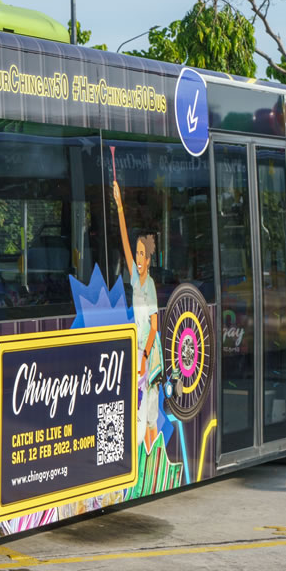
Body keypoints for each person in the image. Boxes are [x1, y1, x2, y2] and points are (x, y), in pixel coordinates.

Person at [112, 171, 160, 448]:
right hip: (139, 349)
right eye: (137, 254)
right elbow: (124, 242)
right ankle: (146, 453)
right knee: (140, 407)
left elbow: (154, 326)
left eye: (142, 254)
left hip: (149, 353)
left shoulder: (150, 285)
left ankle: (152, 457)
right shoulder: (134, 277)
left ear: (149, 259)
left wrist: (143, 355)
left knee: (150, 409)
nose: (138, 258)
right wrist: (119, 205)